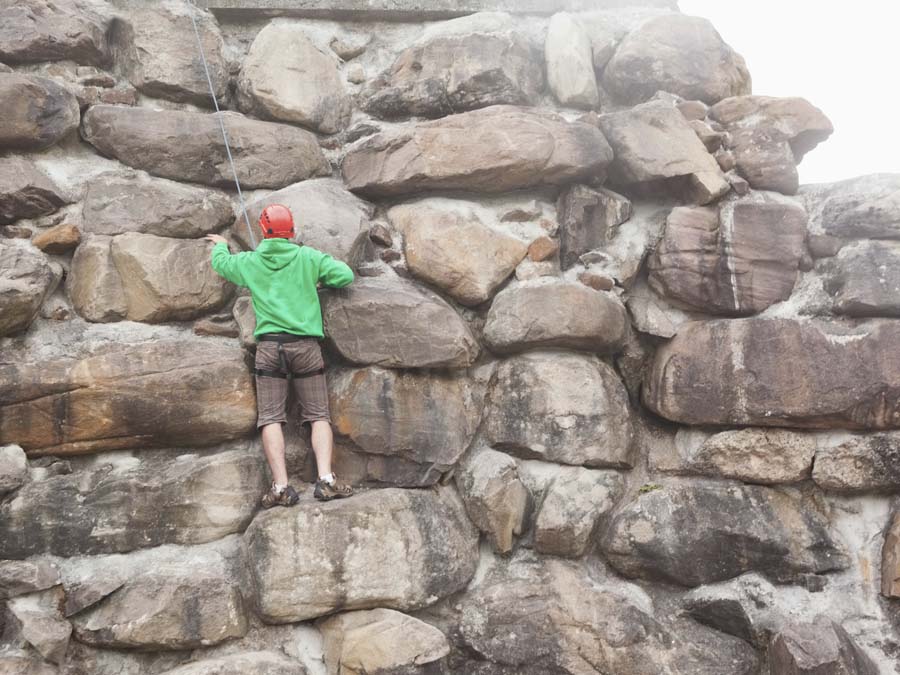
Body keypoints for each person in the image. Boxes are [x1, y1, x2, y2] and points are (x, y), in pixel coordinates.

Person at [206, 204, 354, 507]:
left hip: (270, 348)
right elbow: (345, 275)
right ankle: (326, 479)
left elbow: (223, 265)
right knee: (318, 415)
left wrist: (221, 247)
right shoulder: (308, 257)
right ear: (292, 230)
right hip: (306, 347)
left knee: (271, 417)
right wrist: (321, 281)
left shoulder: (250, 262)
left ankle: (281, 486)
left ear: (263, 230)